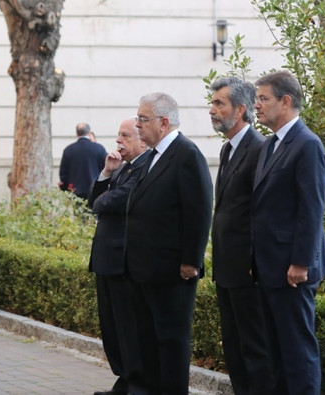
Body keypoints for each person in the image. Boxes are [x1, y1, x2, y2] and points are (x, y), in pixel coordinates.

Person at [125, 93, 213, 393]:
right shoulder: (152, 155)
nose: (138, 125)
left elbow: (199, 211)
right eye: (137, 118)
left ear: (164, 123)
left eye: (143, 119)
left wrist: (191, 260)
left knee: (171, 341)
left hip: (172, 271)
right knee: (148, 340)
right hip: (143, 269)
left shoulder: (186, 154)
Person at [251, 70, 325, 394]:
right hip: (270, 267)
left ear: (285, 101)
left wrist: (301, 263)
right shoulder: (271, 145)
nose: (256, 105)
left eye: (263, 99)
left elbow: (311, 210)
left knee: (298, 352)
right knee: (277, 353)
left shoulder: (307, 145)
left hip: (292, 270)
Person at [208, 77, 273, 394]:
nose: (212, 110)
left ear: (242, 109)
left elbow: (262, 212)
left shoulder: (260, 149)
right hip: (227, 269)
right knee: (233, 347)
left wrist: (253, 261)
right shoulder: (227, 149)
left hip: (249, 271)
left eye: (219, 103)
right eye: (213, 103)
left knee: (254, 348)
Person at [87, 119, 149, 394]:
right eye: (118, 135)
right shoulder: (123, 167)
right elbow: (94, 201)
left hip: (124, 260)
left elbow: (114, 201)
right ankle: (123, 380)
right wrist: (107, 173)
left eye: (125, 136)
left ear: (142, 140)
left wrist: (104, 199)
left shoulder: (146, 167)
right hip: (106, 259)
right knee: (111, 327)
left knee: (128, 327)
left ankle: (136, 384)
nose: (118, 141)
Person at [59, 123, 107, 199]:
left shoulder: (68, 150)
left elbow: (64, 174)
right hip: (95, 191)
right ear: (89, 133)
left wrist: (66, 189)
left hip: (76, 192)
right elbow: (106, 169)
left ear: (77, 134)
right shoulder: (99, 148)